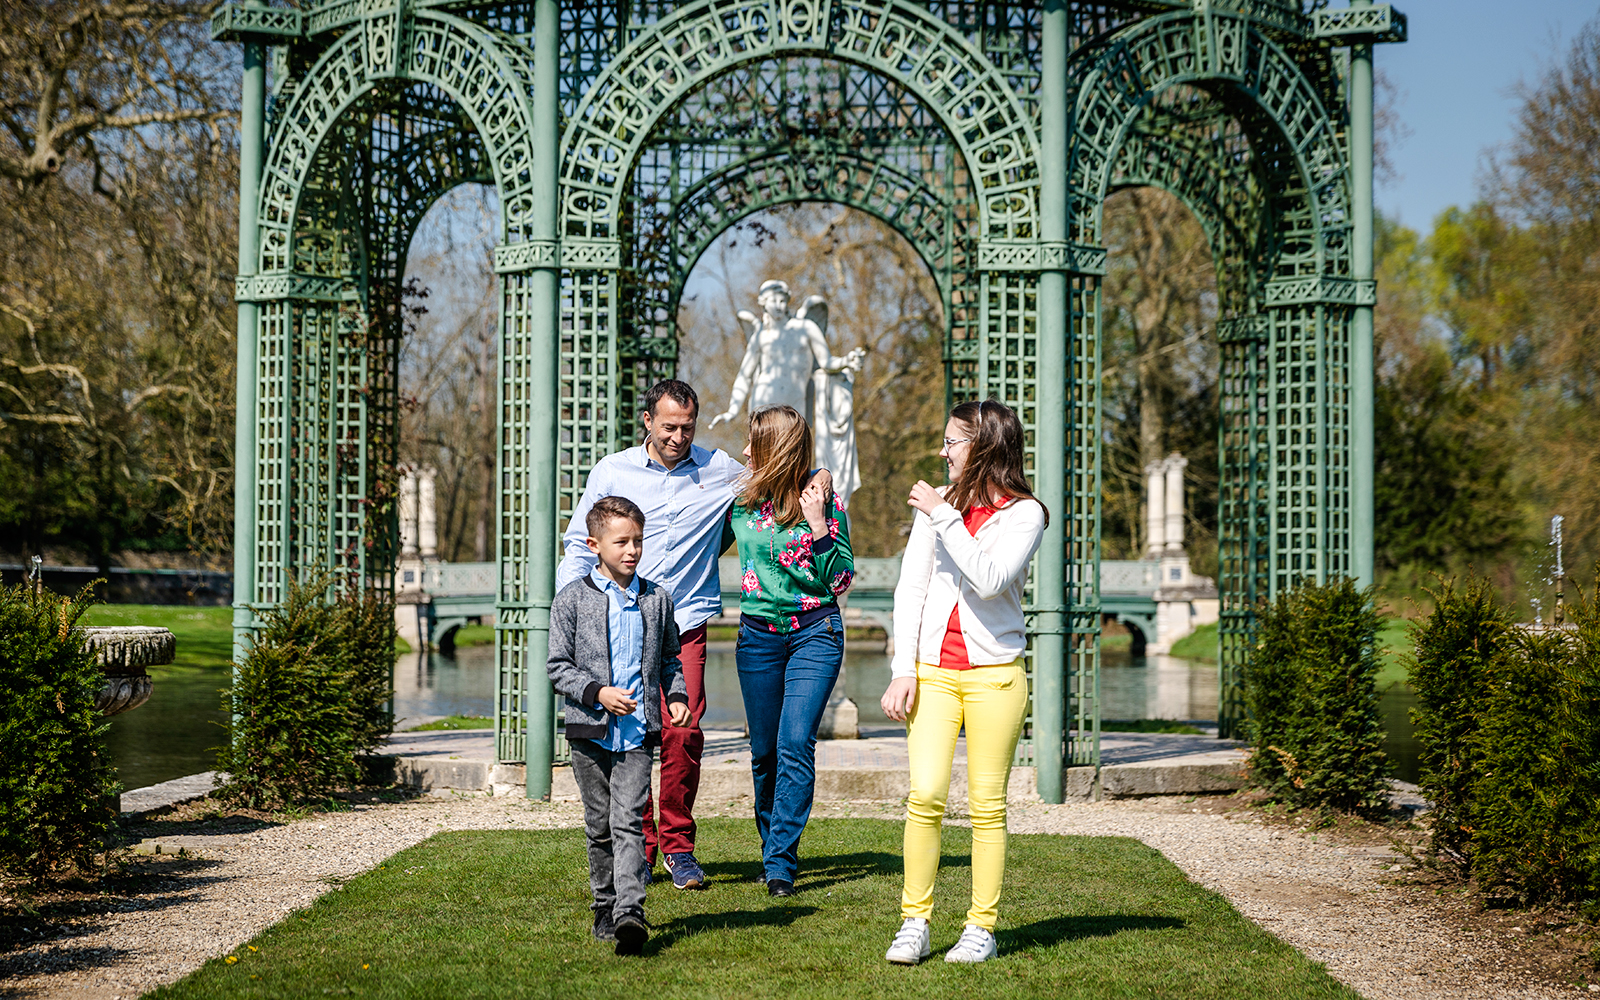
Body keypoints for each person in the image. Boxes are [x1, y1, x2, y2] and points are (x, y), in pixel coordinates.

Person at [557, 379, 831, 890]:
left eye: (687, 427)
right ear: (647, 422)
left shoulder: (720, 471)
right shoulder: (611, 471)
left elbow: (780, 466)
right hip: (621, 621)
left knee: (683, 733)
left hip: (684, 622)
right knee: (628, 733)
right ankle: (637, 845)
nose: (678, 437)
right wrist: (572, 612)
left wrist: (821, 473)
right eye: (668, 427)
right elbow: (579, 543)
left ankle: (679, 848)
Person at [878, 399, 1048, 965]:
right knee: (924, 796)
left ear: (984, 446)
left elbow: (990, 578)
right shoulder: (939, 506)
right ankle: (915, 921)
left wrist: (942, 514)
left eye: (952, 441)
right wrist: (904, 668)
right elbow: (911, 589)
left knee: (986, 805)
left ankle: (981, 927)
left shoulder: (1026, 514)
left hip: (996, 676)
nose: (943, 451)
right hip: (933, 674)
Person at [546, 496, 692, 956]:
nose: (632, 550)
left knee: (628, 819)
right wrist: (597, 693)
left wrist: (677, 695)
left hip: (638, 735)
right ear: (594, 545)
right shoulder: (571, 599)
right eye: (622, 541)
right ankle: (604, 906)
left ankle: (632, 911)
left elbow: (670, 658)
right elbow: (557, 667)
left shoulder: (657, 600)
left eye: (638, 541)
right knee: (599, 825)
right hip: (589, 734)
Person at [724, 405, 855, 897]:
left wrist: (819, 523)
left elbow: (840, 578)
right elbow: (700, 545)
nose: (743, 452)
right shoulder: (739, 502)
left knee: (794, 743)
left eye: (752, 444)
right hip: (757, 637)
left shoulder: (822, 498)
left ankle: (780, 863)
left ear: (774, 449)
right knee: (762, 752)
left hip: (815, 634)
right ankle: (770, 847)